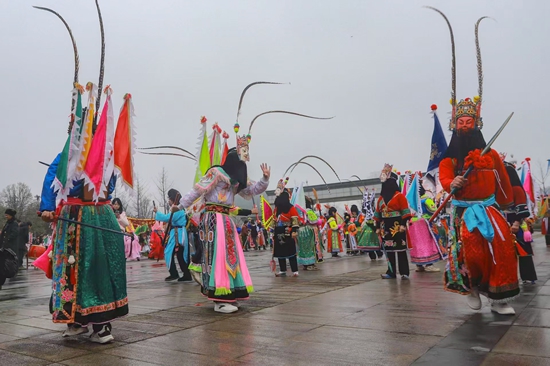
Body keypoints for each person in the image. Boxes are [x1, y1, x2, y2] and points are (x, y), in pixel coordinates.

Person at [430, 8, 519, 315]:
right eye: (461, 123)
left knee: (503, 250)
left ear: (477, 125)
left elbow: (504, 184)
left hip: (491, 210)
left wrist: (511, 209)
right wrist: (450, 182)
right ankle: (474, 290)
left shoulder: (491, 155)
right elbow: (443, 177)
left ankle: (500, 298)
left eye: (470, 122)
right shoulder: (450, 159)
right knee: (470, 254)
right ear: (456, 127)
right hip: (464, 212)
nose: (465, 127)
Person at [179, 145, 270, 314]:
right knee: (217, 258)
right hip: (213, 219)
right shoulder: (216, 173)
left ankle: (229, 294)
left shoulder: (236, 180)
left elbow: (252, 189)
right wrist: (180, 206)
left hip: (226, 220)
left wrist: (264, 179)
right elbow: (196, 191)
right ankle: (219, 300)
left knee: (230, 257)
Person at [501, 156, 537, 284]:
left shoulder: (516, 189)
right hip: (502, 220)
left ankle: (528, 276)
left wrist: (516, 222)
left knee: (522, 249)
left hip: (515, 221)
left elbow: (521, 207)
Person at [375, 165, 412, 279]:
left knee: (400, 250)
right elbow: (378, 214)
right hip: (386, 227)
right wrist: (377, 227)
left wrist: (403, 224)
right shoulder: (381, 199)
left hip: (397, 226)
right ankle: (391, 272)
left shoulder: (399, 196)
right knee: (389, 250)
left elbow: (405, 211)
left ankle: (404, 272)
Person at [155, 189, 192, 282]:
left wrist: (157, 212)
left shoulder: (178, 210)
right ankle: (179, 273)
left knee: (178, 253)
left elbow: (167, 218)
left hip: (178, 233)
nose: (168, 200)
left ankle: (180, 274)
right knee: (176, 253)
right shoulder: (177, 209)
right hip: (176, 233)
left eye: (169, 198)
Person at [272, 186, 301, 276]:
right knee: (280, 252)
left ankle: (295, 270)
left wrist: (294, 231)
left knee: (291, 252)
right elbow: (274, 220)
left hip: (288, 231)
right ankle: (282, 270)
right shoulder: (277, 209)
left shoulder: (291, 208)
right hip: (278, 232)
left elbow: (295, 221)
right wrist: (272, 230)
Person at [1, 209, 19, 288]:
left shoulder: (14, 224)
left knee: (7, 263)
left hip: (10, 247)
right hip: (4, 246)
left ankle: (8, 273)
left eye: (7, 215)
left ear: (11, 215)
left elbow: (14, 233)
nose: (6, 216)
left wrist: (7, 240)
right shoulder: (7, 223)